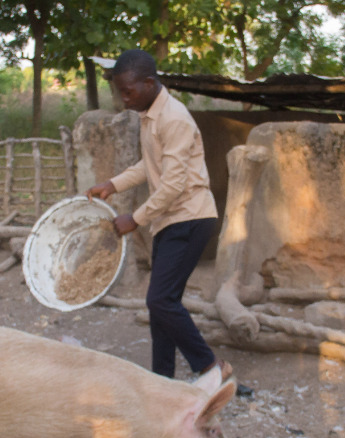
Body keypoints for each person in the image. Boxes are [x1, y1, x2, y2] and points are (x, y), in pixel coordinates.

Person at [86, 49, 251, 395]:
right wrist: (112, 185)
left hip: (190, 217)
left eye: (128, 91)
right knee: (162, 302)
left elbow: (174, 185)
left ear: (149, 83)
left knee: (160, 301)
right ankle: (162, 379)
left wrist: (135, 218)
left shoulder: (173, 118)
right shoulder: (150, 115)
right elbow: (149, 166)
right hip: (170, 219)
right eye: (119, 91)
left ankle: (212, 368)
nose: (123, 98)